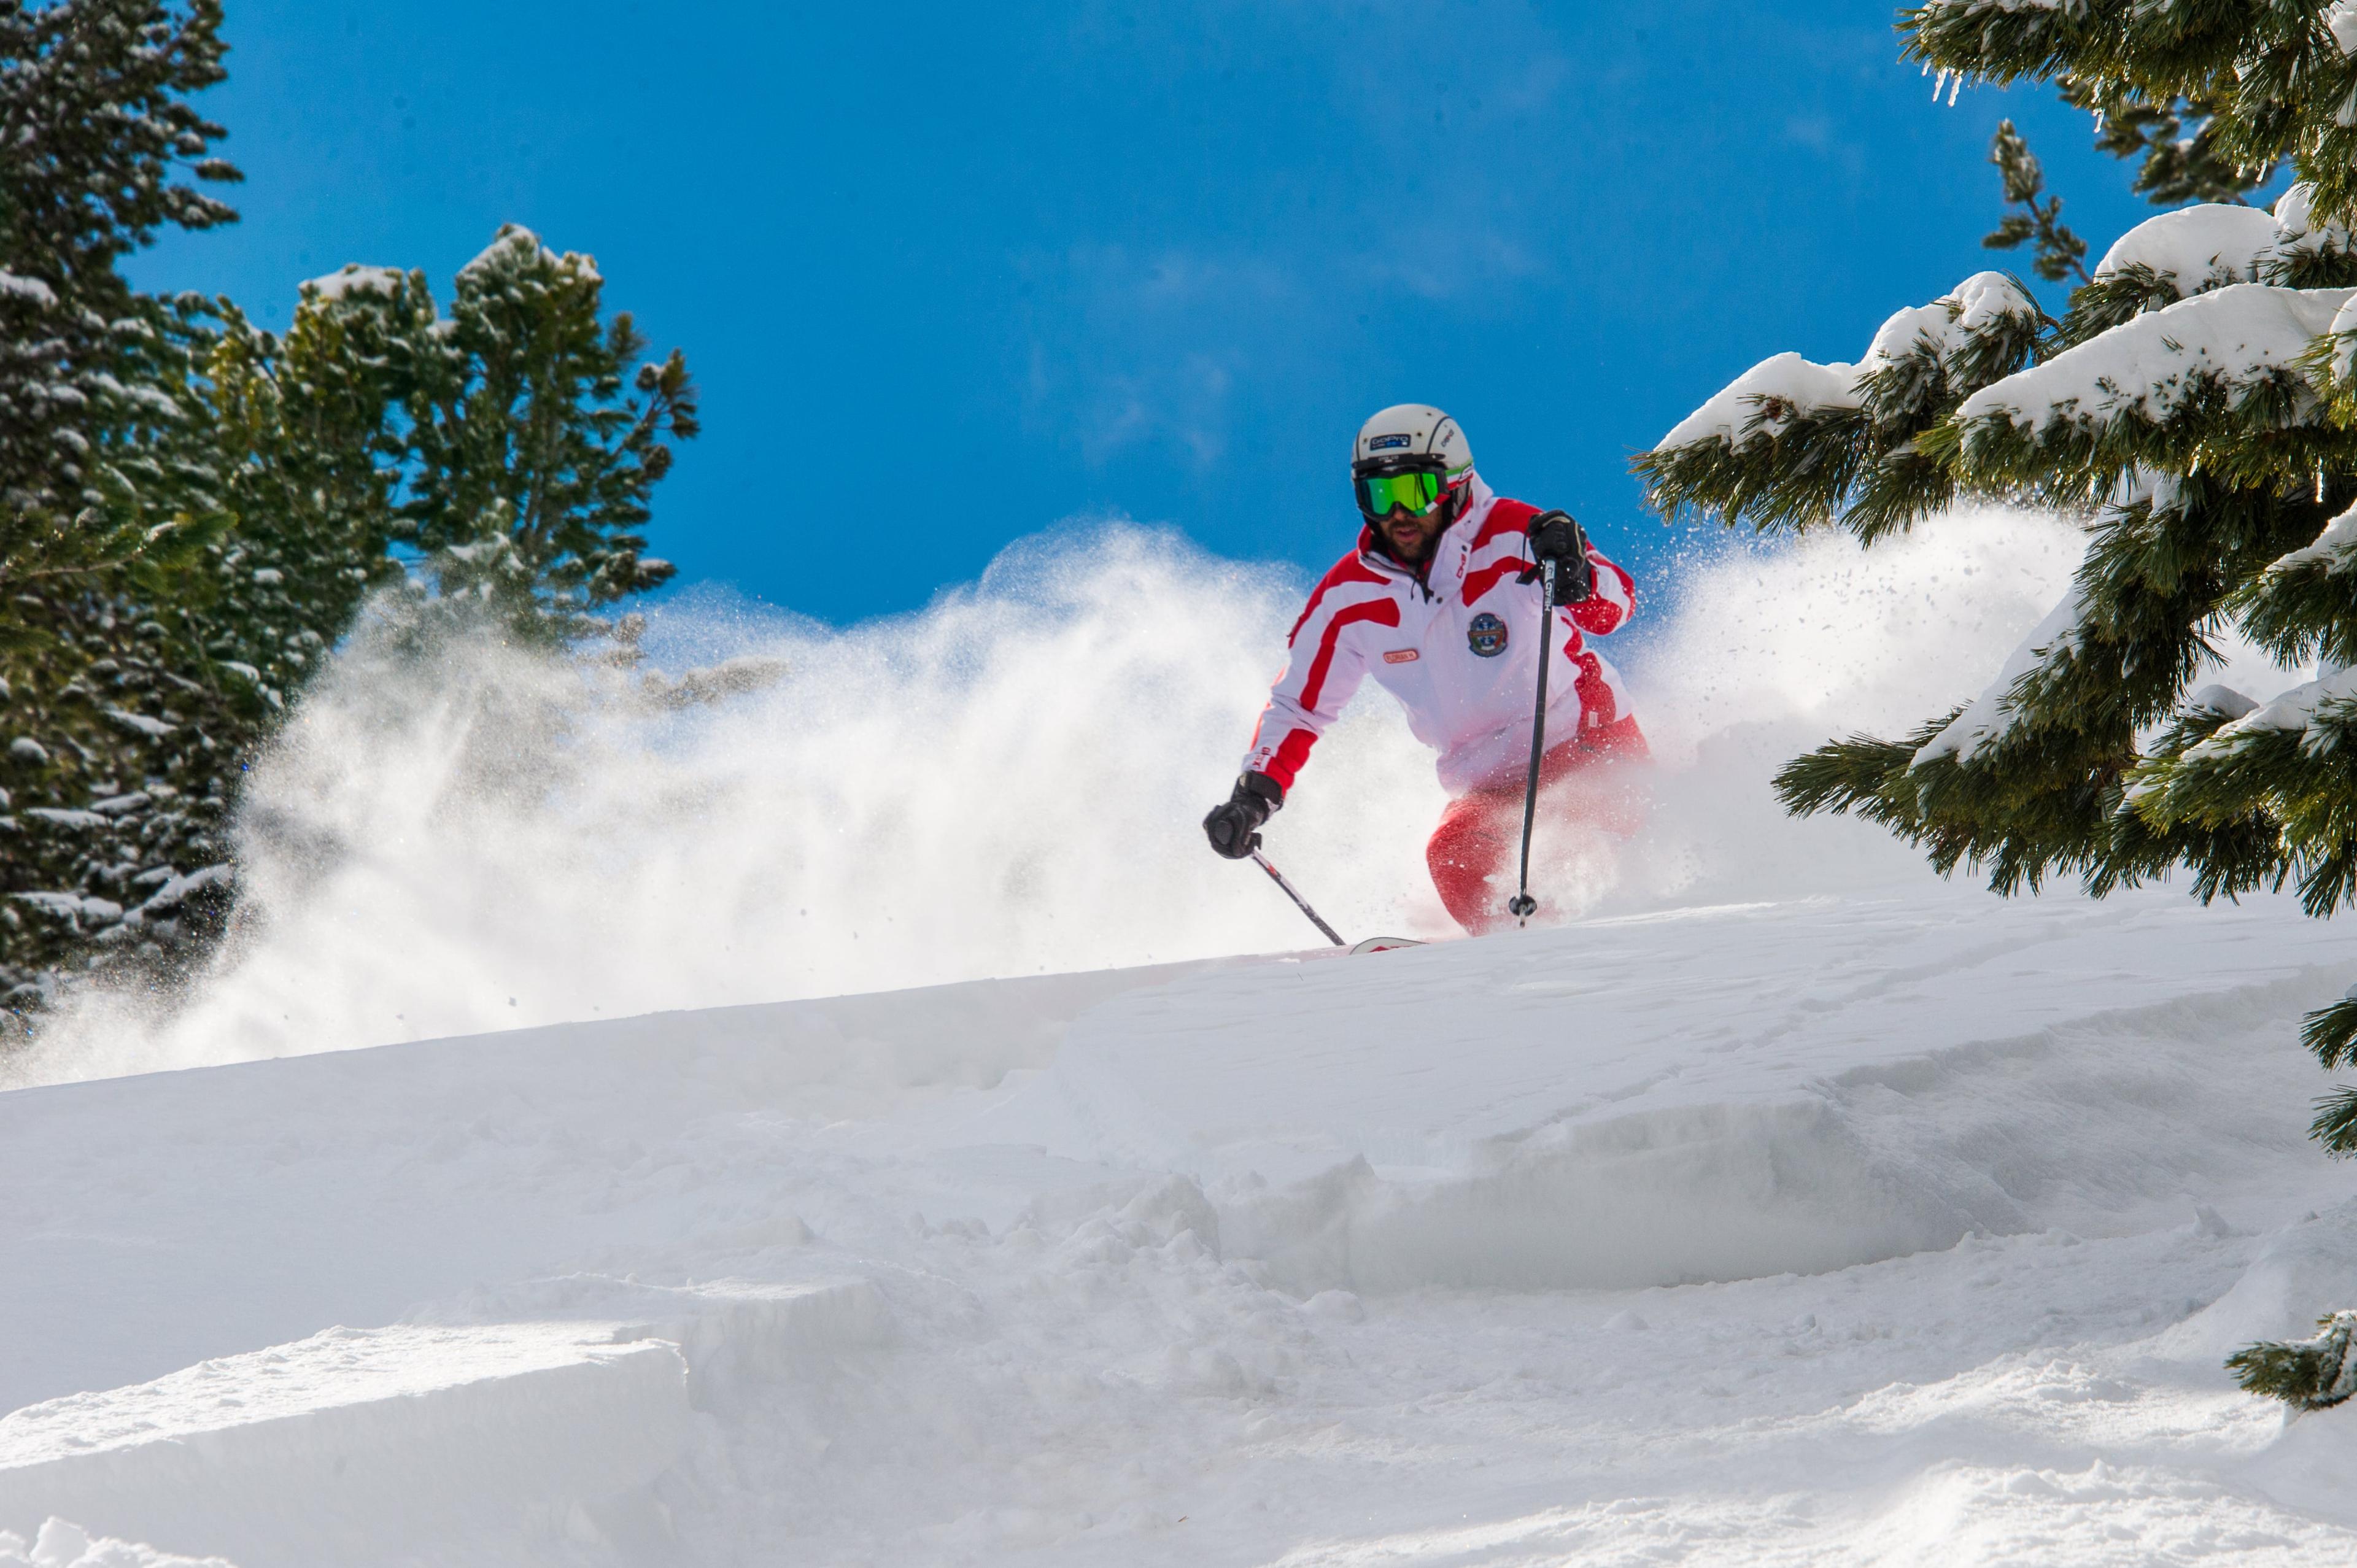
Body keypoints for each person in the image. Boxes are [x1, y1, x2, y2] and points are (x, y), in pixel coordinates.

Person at [1202, 404, 1646, 934]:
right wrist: (1253, 797)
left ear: (1454, 484)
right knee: (1453, 859)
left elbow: (1616, 608)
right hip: (1487, 781)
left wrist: (1578, 573)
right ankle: (1519, 967)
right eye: (1378, 495)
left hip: (1583, 741)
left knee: (1586, 847)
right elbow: (1299, 706)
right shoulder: (1350, 596)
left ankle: (1625, 947)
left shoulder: (1513, 536)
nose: (1397, 514)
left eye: (1414, 490)